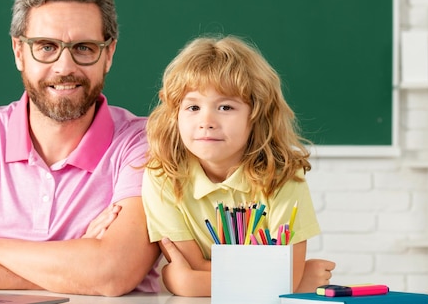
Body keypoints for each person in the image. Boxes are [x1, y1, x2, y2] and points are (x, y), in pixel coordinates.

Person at [0, 0, 160, 296]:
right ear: (19, 52)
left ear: (108, 54)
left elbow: (113, 272)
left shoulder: (146, 143)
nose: (65, 67)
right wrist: (78, 269)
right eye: (46, 46)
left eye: (84, 48)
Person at [141, 35, 335, 296]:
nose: (206, 121)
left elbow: (286, 276)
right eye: (193, 106)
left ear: (256, 115)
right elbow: (192, 264)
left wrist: (190, 282)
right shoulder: (163, 175)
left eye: (225, 106)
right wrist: (288, 280)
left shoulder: (281, 175)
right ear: (175, 115)